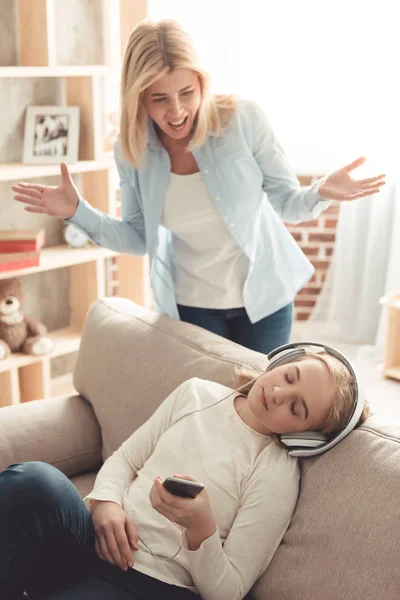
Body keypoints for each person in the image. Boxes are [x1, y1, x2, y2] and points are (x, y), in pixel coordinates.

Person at [12, 19, 386, 354]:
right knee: (209, 403)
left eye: (187, 93)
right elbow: (138, 238)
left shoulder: (243, 119)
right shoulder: (132, 150)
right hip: (191, 306)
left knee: (262, 402)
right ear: (139, 97)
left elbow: (288, 204)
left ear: (202, 83)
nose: (176, 112)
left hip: (265, 298)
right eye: (160, 98)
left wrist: (321, 191)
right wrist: (80, 212)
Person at [0, 346, 371, 600]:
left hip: (150, 586)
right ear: (284, 360)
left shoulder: (277, 473)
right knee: (38, 481)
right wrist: (106, 504)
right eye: (289, 377)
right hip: (91, 538)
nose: (277, 394)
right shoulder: (196, 393)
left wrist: (201, 529)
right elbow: (126, 459)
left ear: (305, 437)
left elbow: (228, 590)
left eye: (297, 408)